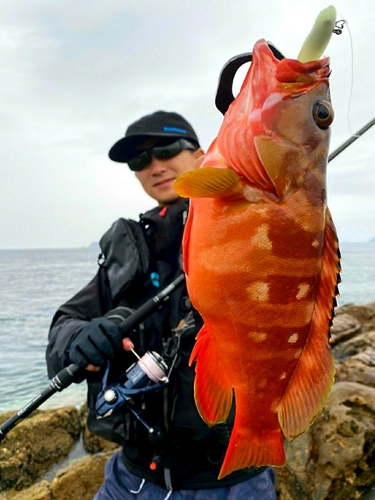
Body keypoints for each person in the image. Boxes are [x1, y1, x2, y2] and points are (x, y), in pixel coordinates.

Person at [46, 111, 276, 499]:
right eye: (140, 161)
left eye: (167, 150)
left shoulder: (247, 219)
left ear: (202, 156)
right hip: (130, 477)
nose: (155, 166)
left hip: (232, 483)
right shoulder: (128, 249)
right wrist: (78, 339)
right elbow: (64, 325)